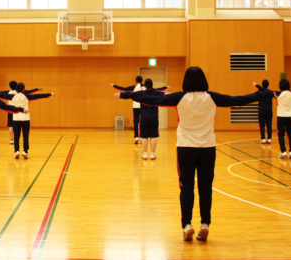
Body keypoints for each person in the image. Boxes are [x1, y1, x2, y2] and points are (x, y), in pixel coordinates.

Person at [115, 66, 262, 242]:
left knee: (186, 188)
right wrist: (262, 94)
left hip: (185, 148)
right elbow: (238, 100)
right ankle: (205, 224)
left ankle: (187, 225)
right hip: (208, 148)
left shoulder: (180, 97)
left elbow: (151, 99)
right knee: (205, 188)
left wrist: (127, 95)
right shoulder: (212, 97)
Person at [0, 84, 54, 159]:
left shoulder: (12, 97)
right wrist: (49, 94)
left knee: (16, 136)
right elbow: (38, 96)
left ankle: (17, 151)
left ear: (16, 90)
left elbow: (1, 95)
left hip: (16, 119)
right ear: (24, 89)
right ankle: (25, 151)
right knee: (25, 136)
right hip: (25, 119)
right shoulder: (27, 96)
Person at [115, 78, 167, 160]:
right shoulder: (157, 93)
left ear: (145, 86)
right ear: (152, 85)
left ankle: (145, 154)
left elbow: (131, 94)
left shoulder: (141, 94)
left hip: (144, 118)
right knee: (153, 136)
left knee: (144, 136)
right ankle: (153, 154)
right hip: (154, 118)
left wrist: (121, 95)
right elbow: (168, 95)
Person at [111, 76, 144, 143]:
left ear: (136, 81)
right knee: (142, 122)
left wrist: (114, 86)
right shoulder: (145, 87)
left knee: (136, 122)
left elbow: (124, 89)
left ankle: (136, 137)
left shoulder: (134, 87)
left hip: (135, 107)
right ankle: (142, 138)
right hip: (143, 106)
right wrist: (165, 87)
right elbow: (156, 90)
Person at [253, 80, 275, 144]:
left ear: (262, 84)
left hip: (261, 110)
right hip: (269, 110)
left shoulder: (260, 92)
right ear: (268, 85)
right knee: (269, 125)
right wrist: (257, 85)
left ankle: (263, 139)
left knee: (262, 125)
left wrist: (257, 85)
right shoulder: (270, 92)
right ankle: (269, 138)